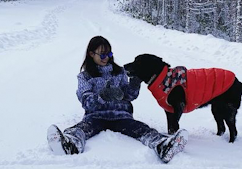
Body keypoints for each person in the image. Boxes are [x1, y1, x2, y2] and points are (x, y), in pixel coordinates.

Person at [47, 36, 188, 163]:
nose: (106, 57)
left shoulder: (119, 72)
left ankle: (163, 146)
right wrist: (102, 96)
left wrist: (134, 86)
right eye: (102, 54)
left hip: (121, 116)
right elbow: (86, 101)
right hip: (96, 116)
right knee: (82, 129)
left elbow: (128, 96)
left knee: (142, 130)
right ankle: (69, 144)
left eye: (109, 54)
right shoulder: (85, 77)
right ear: (91, 54)